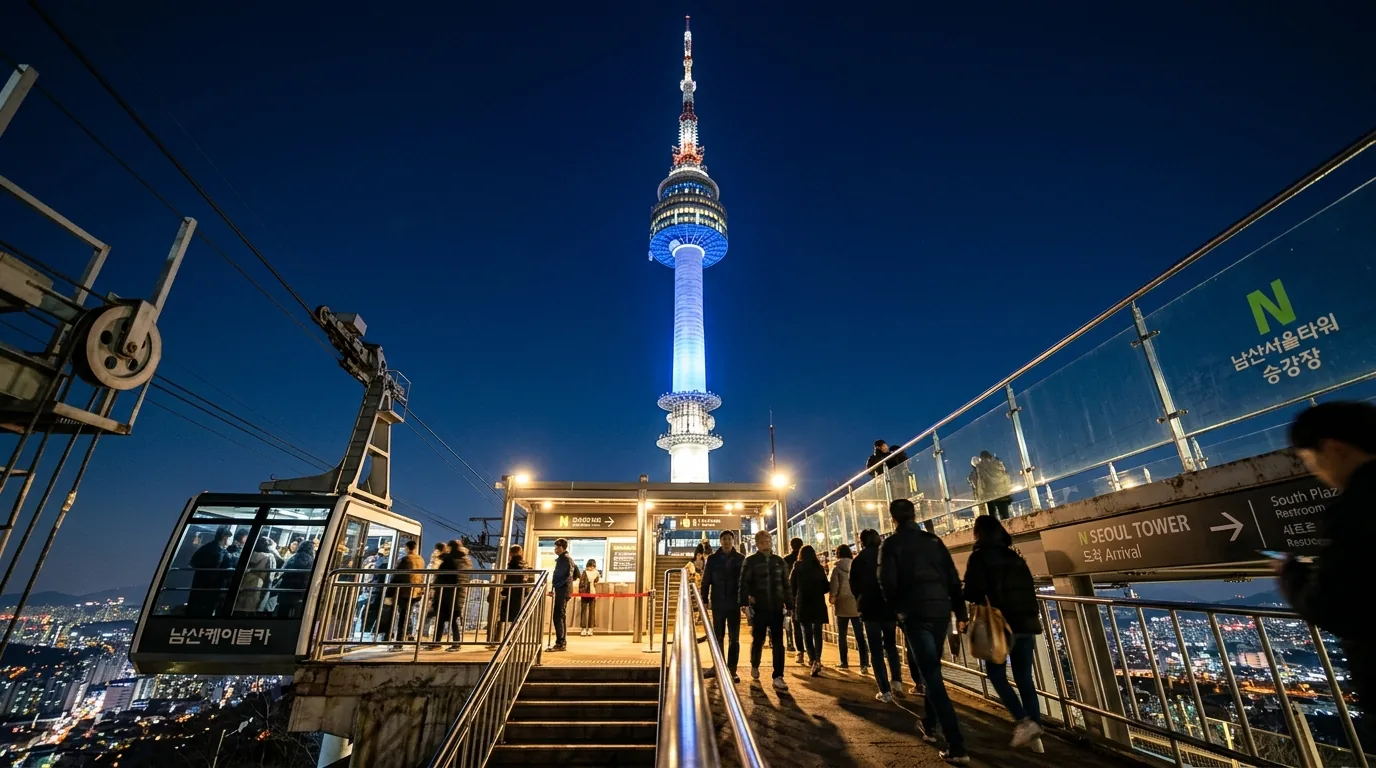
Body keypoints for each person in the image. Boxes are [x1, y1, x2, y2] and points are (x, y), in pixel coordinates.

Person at [1279, 401, 1376, 737]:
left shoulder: (1357, 507)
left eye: (1310, 460)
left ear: (1334, 448)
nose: (1316, 471)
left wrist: (1290, 575)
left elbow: (1332, 604)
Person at [881, 498, 970, 764]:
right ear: (914, 515)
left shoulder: (892, 544)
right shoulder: (934, 542)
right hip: (941, 610)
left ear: (893, 518)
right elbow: (952, 577)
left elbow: (886, 581)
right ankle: (929, 724)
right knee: (932, 668)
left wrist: (898, 610)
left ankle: (957, 745)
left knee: (931, 675)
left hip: (914, 614)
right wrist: (961, 611)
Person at [963, 515, 1044, 751]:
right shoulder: (1014, 555)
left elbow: (972, 591)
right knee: (1024, 679)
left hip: (1001, 624)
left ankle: (1023, 720)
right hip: (1026, 622)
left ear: (978, 533)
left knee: (996, 674)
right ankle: (1036, 735)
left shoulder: (979, 557)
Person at [850, 529, 906, 702]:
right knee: (890, 645)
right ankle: (897, 681)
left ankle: (885, 690)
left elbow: (854, 586)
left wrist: (861, 600)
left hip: (869, 608)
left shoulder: (859, 560)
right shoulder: (887, 556)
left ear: (862, 542)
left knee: (875, 650)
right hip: (888, 607)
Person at [739, 530, 791, 690]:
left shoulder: (779, 562)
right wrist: (744, 602)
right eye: (762, 541)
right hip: (759, 607)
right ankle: (755, 664)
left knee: (778, 643)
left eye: (767, 540)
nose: (765, 544)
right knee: (758, 639)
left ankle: (778, 675)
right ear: (757, 544)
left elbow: (786, 584)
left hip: (776, 608)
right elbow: (744, 583)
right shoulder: (750, 561)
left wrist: (790, 605)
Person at [701, 530, 745, 682]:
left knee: (734, 639)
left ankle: (732, 670)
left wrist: (744, 601)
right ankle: (717, 666)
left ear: (733, 541)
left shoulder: (740, 558)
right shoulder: (712, 559)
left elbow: (744, 582)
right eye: (724, 539)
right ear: (720, 541)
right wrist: (704, 598)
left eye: (729, 539)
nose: (726, 541)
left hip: (734, 604)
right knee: (717, 637)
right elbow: (706, 579)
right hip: (718, 602)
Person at [829, 544, 869, 674]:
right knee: (860, 635)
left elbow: (834, 586)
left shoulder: (836, 568)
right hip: (856, 603)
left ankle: (844, 662)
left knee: (842, 635)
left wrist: (833, 597)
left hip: (842, 603)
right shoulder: (857, 565)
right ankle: (864, 663)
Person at [790, 545, 830, 677]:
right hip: (817, 602)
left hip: (803, 602)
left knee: (806, 632)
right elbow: (826, 587)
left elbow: (792, 585)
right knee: (817, 632)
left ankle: (812, 659)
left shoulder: (797, 566)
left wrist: (793, 599)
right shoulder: (818, 568)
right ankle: (818, 659)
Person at [434, 539, 473, 650]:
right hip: (457, 593)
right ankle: (441, 642)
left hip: (448, 593)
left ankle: (451, 643)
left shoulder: (451, 560)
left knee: (447, 619)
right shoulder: (464, 559)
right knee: (448, 619)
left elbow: (443, 576)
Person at [188, 526, 234, 616]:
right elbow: (226, 571)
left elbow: (193, 562)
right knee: (207, 610)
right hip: (214, 586)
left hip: (199, 583)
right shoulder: (222, 553)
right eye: (228, 538)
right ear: (225, 538)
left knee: (194, 609)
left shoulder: (205, 547)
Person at [389, 540, 426, 645]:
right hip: (416, 592)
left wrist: (389, 590)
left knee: (403, 615)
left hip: (405, 591)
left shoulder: (405, 559)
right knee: (407, 613)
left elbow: (397, 575)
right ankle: (409, 634)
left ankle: (399, 641)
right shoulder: (421, 560)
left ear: (406, 548)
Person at [234, 537, 279, 614]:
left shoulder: (248, 554)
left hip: (243, 586)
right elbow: (269, 578)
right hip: (257, 588)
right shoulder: (269, 557)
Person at [274, 540, 316, 618]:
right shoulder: (310, 559)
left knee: (283, 609)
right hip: (298, 587)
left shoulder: (294, 556)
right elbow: (306, 576)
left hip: (286, 585)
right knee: (295, 610)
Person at [550, 538, 578, 651]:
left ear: (563, 548)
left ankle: (560, 642)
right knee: (560, 615)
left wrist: (557, 585)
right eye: (555, 547)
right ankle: (561, 641)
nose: (555, 549)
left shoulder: (564, 559)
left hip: (562, 590)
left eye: (557, 547)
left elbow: (565, 575)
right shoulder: (568, 559)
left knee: (558, 616)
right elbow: (576, 573)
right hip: (564, 589)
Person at [970, 451, 1014, 520]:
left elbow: (981, 484)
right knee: (1005, 517)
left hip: (989, 496)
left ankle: (996, 529)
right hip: (1002, 494)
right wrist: (1008, 493)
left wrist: (981, 498)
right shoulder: (999, 464)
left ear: (982, 458)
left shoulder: (980, 467)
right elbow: (1007, 478)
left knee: (992, 519)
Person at [783, 537, 806, 663]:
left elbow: (784, 579)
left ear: (791, 546)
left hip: (793, 596)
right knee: (809, 625)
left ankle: (799, 651)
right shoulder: (810, 560)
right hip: (808, 597)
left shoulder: (786, 560)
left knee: (795, 624)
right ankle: (814, 656)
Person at [578, 559, 601, 636]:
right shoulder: (585, 572)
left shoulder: (596, 573)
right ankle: (583, 628)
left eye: (592, 566)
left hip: (592, 593)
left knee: (592, 612)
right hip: (585, 594)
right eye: (589, 566)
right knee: (584, 611)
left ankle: (590, 629)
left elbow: (597, 581)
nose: (590, 568)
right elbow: (581, 584)